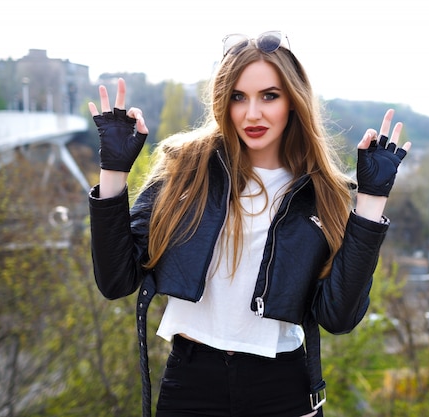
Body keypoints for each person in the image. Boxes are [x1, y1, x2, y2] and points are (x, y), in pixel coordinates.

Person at [87, 31, 411, 417]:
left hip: (282, 388)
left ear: (293, 101)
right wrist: (113, 173)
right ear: (224, 103)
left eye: (269, 96)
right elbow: (116, 281)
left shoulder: (321, 192)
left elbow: (338, 317)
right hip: (191, 384)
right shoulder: (185, 171)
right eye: (239, 97)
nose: (252, 113)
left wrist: (371, 204)